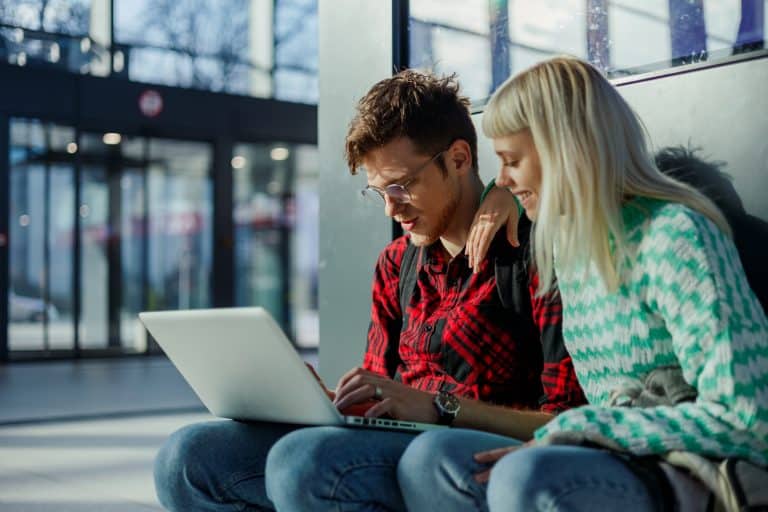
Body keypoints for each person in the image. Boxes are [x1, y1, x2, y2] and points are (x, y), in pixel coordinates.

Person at [153, 70, 585, 512]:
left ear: (458, 159)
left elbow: (568, 420)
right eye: (378, 191)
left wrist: (439, 406)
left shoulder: (532, 255)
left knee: (302, 463)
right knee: (187, 457)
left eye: (402, 186)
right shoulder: (396, 264)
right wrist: (330, 404)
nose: (391, 208)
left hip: (460, 451)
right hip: (394, 444)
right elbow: (378, 390)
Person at [399, 56, 768, 512]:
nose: (505, 179)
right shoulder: (571, 246)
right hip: (617, 455)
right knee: (433, 461)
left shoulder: (675, 236)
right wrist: (504, 192)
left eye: (512, 162)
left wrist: (585, 429)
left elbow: (749, 417)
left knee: (523, 478)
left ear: (567, 151)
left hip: (688, 468)